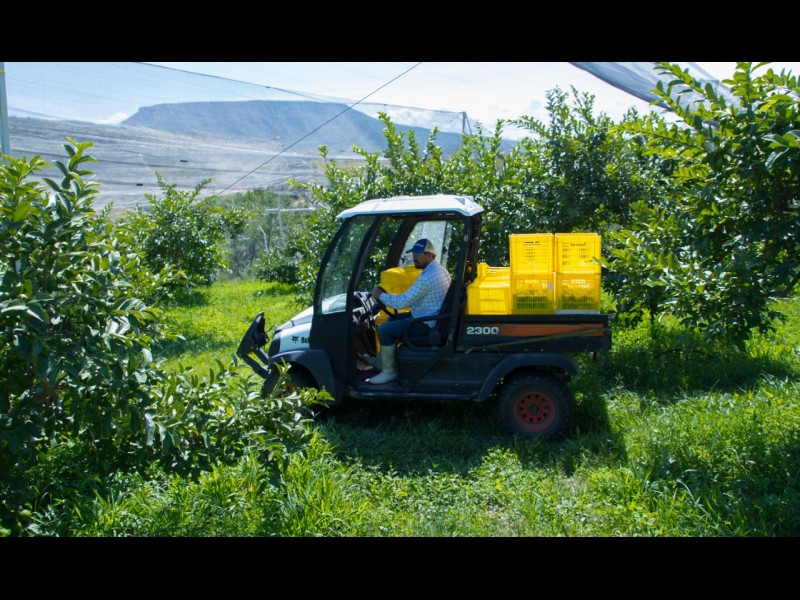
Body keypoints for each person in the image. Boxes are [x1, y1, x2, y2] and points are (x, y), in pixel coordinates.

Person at [366, 238, 451, 384]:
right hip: (432, 317)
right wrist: (386, 297)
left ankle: (389, 372)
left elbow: (402, 302)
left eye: (417, 255)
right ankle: (381, 363)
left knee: (384, 330)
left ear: (429, 256)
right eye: (413, 254)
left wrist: (380, 295)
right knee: (392, 319)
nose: (414, 257)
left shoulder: (428, 277)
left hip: (426, 323)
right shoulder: (439, 270)